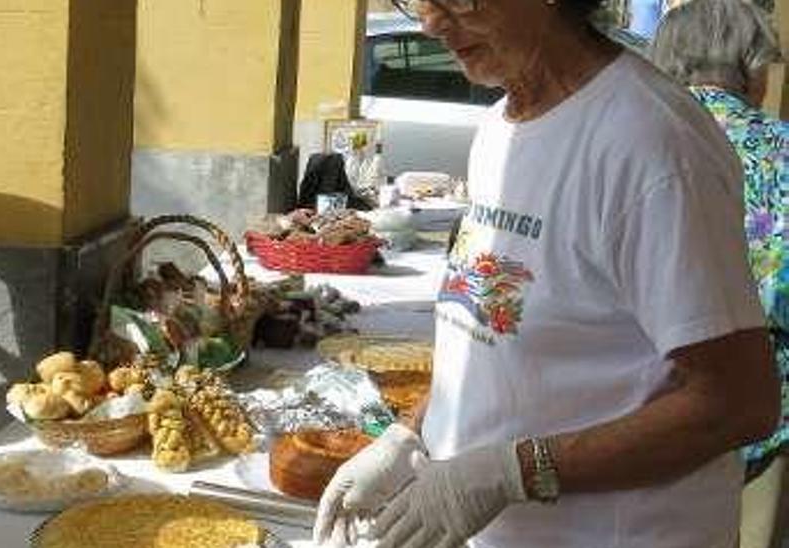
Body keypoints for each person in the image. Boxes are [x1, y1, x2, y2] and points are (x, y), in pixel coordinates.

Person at [313, 0, 779, 546]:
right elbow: (489, 333)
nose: (432, 23)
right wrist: (409, 436)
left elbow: (737, 404)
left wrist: (514, 472)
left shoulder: (652, 146)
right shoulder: (497, 130)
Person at [653, 0, 788, 482]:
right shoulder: (781, 149)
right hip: (764, 418)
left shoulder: (634, 138)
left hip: (636, 418)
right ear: (750, 67)